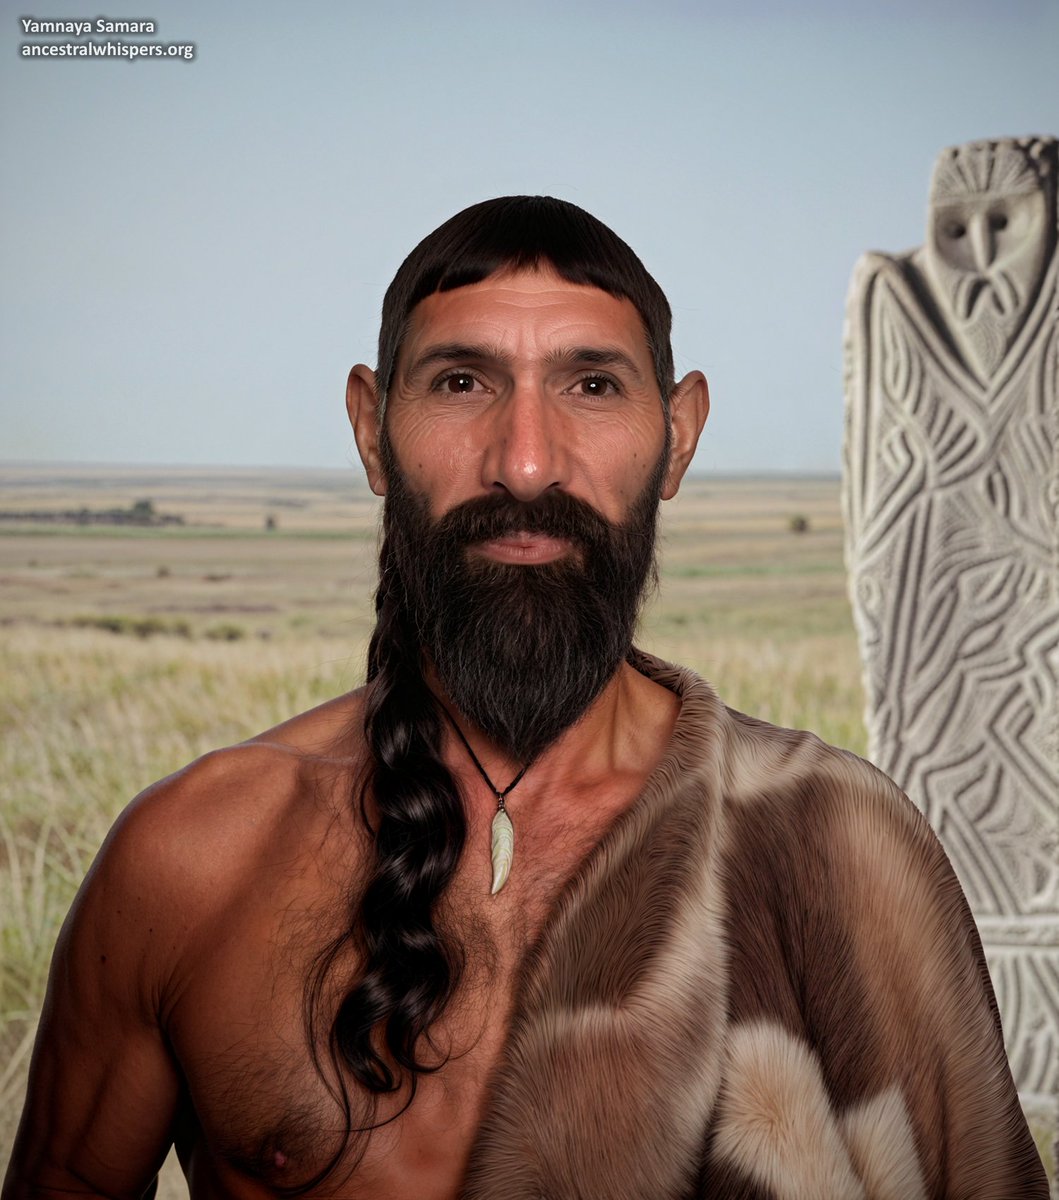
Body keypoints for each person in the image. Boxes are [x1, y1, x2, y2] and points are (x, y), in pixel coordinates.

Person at [4, 196, 1048, 1199]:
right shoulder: (193, 858)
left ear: (679, 436)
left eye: (593, 386)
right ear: (372, 428)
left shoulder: (842, 844)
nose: (528, 461)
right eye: (463, 382)